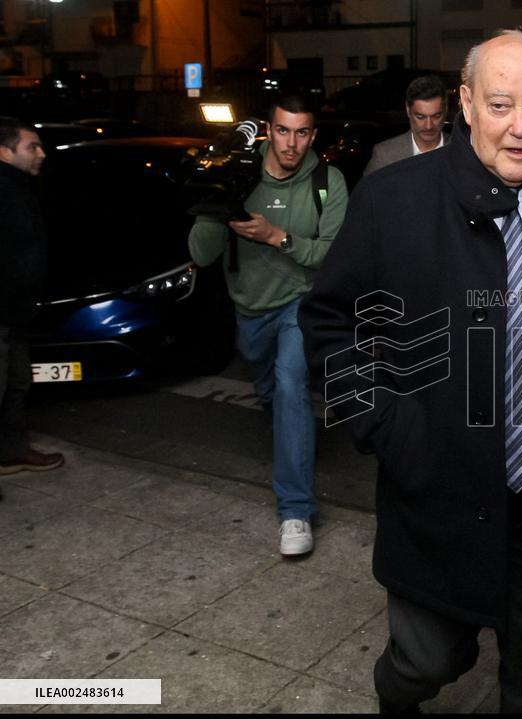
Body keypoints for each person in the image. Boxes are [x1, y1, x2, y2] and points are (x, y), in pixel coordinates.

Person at [299, 30, 522, 712]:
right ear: (464, 104)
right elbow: (328, 324)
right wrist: (387, 427)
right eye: (500, 104)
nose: (520, 127)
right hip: (436, 489)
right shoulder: (392, 200)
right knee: (429, 657)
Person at [188, 94, 348, 556]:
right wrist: (220, 199)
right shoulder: (240, 170)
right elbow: (201, 254)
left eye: (301, 132)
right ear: (269, 131)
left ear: (312, 136)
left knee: (290, 385)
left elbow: (333, 256)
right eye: (282, 131)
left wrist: (276, 236)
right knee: (270, 392)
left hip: (300, 303)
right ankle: (288, 433)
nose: (291, 143)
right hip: (249, 307)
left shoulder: (327, 182)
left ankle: (295, 511)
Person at [0, 117, 65, 484]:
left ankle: (11, 453)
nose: (42, 153)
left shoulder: (19, 187)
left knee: (16, 383)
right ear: (4, 152)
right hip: (4, 311)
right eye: (32, 147)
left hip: (15, 313)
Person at [363, 74, 450, 175]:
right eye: (420, 117)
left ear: (446, 110)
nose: (428, 126)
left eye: (436, 116)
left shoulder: (462, 150)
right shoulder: (385, 156)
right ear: (408, 110)